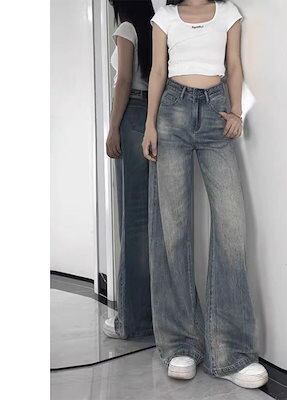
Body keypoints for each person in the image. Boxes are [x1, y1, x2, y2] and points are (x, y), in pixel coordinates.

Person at [143, 0, 268, 389]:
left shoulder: (228, 14)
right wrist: (149, 126)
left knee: (232, 227)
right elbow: (158, 71)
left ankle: (230, 352)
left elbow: (234, 67)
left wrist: (236, 111)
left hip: (216, 113)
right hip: (172, 114)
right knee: (174, 231)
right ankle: (180, 344)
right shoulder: (164, 18)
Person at [103, 0, 155, 340]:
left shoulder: (126, 29)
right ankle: (151, 315)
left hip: (132, 115)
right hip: (153, 117)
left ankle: (130, 321)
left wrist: (113, 128)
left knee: (132, 222)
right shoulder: (152, 28)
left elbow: (123, 81)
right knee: (150, 222)